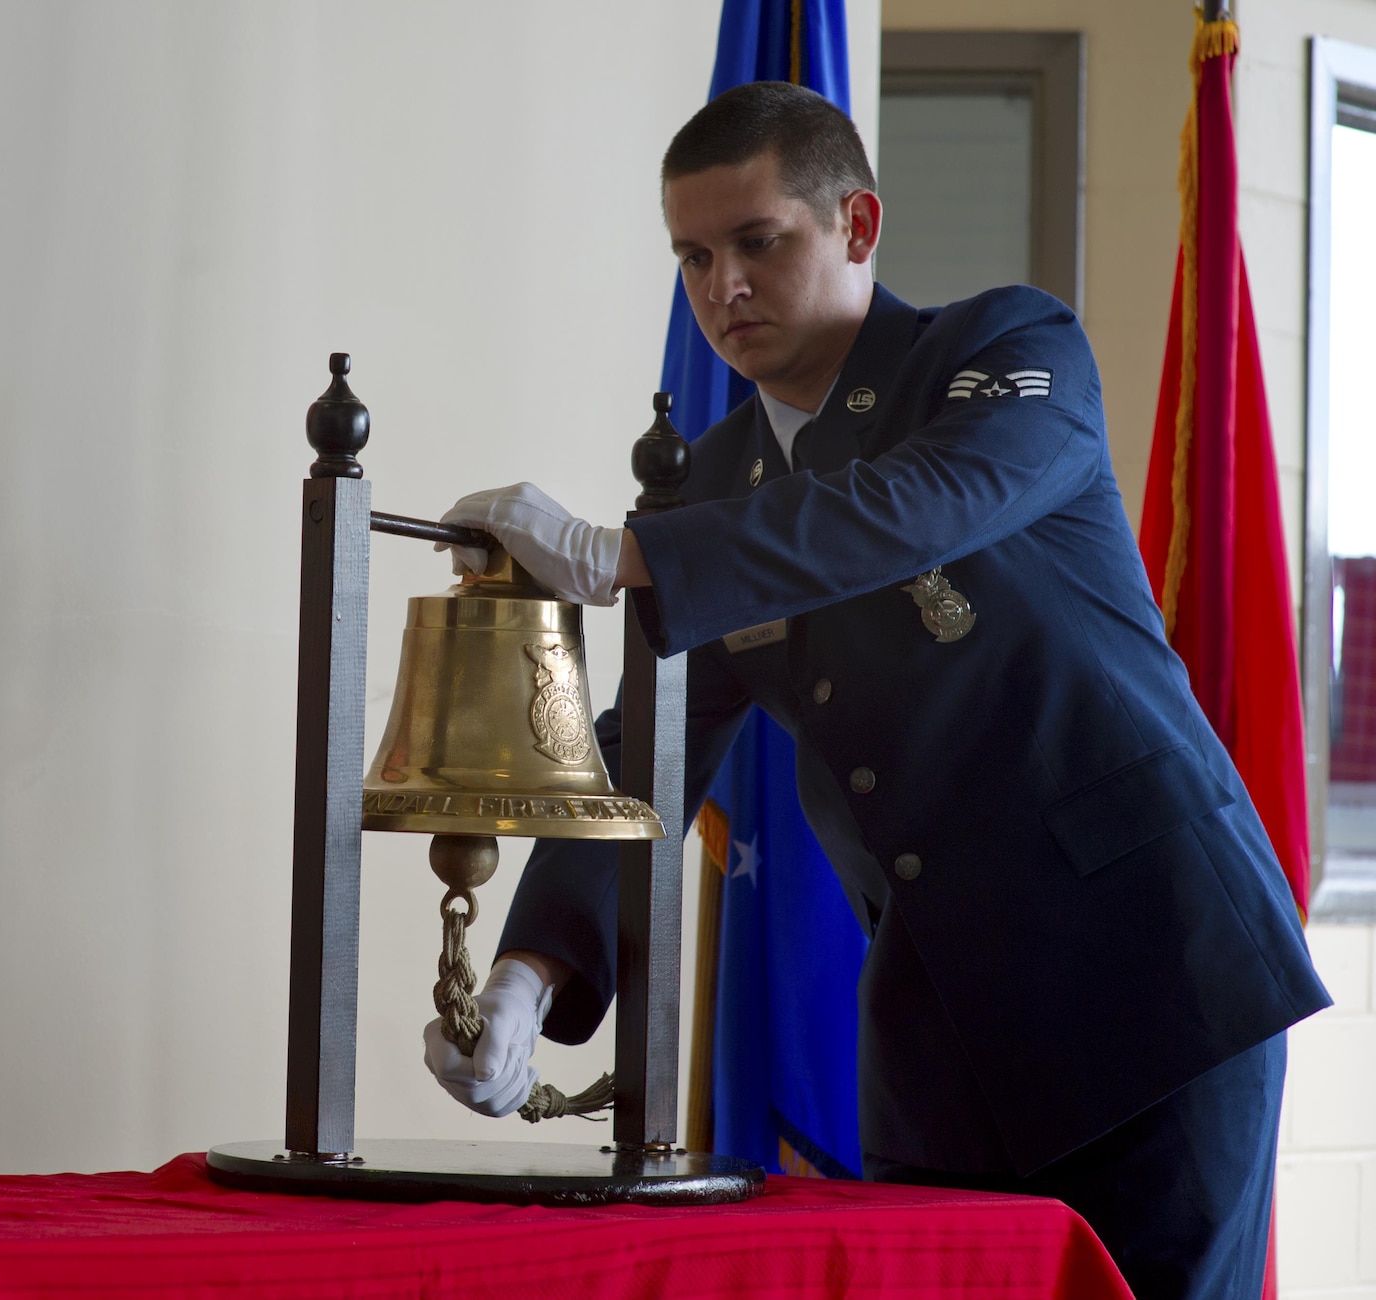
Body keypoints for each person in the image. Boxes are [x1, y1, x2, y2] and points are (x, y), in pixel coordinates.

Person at [427, 81, 1328, 1300]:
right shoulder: (714, 483)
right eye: (691, 257)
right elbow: (647, 739)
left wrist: (619, 553)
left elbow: (914, 506)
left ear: (856, 226)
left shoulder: (1004, 351)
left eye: (757, 242)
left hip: (1150, 979)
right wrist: (530, 974)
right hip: (938, 1029)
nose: (719, 289)